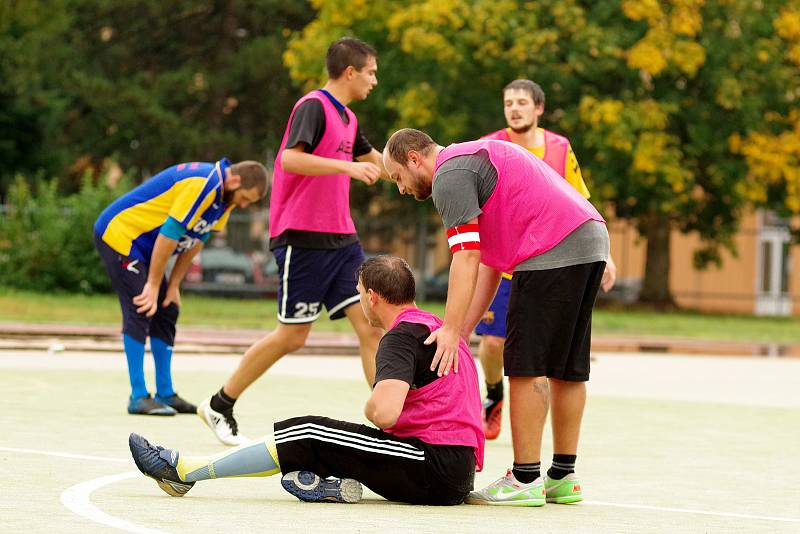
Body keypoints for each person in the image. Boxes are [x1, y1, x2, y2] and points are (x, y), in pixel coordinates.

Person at [129, 255, 484, 506]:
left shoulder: (399, 337)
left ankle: (182, 471)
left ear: (372, 298)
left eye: (360, 294)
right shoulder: (437, 328)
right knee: (335, 439)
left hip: (433, 467)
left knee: (309, 432)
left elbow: (385, 414)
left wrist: (372, 404)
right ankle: (329, 484)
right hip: (455, 469)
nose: (361, 301)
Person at [383, 129, 609, 506]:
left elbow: (465, 258)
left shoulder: (448, 176)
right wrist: (461, 331)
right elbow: (487, 263)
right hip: (589, 239)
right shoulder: (472, 160)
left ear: (413, 159)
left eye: (397, 178)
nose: (401, 189)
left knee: (525, 365)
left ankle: (524, 479)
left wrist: (451, 329)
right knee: (567, 367)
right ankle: (563, 476)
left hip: (550, 246)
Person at [196, 37, 386, 446]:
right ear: (350, 72)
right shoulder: (313, 107)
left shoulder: (350, 121)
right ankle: (220, 403)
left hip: (343, 240)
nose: (374, 80)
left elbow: (380, 164)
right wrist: (347, 168)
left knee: (373, 328)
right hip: (303, 238)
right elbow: (289, 159)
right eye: (371, 72)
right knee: (292, 337)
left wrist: (430, 169)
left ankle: (389, 425)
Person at [476, 79, 617, 440]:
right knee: (493, 344)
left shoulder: (559, 147)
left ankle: (539, 454)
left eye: (522, 102)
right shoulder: (490, 147)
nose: (514, 108)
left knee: (550, 360)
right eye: (508, 103)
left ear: (539, 108)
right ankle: (494, 397)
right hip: (508, 264)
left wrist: (608, 254)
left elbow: (580, 201)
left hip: (552, 263)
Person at [94, 159, 269, 415]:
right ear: (234, 182)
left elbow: (195, 243)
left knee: (167, 308)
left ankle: (165, 393)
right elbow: (169, 234)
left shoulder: (225, 201)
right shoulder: (202, 184)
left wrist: (173, 285)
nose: (243, 204)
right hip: (121, 234)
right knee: (142, 305)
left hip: (147, 247)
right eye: (245, 198)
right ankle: (138, 395)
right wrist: (153, 283)